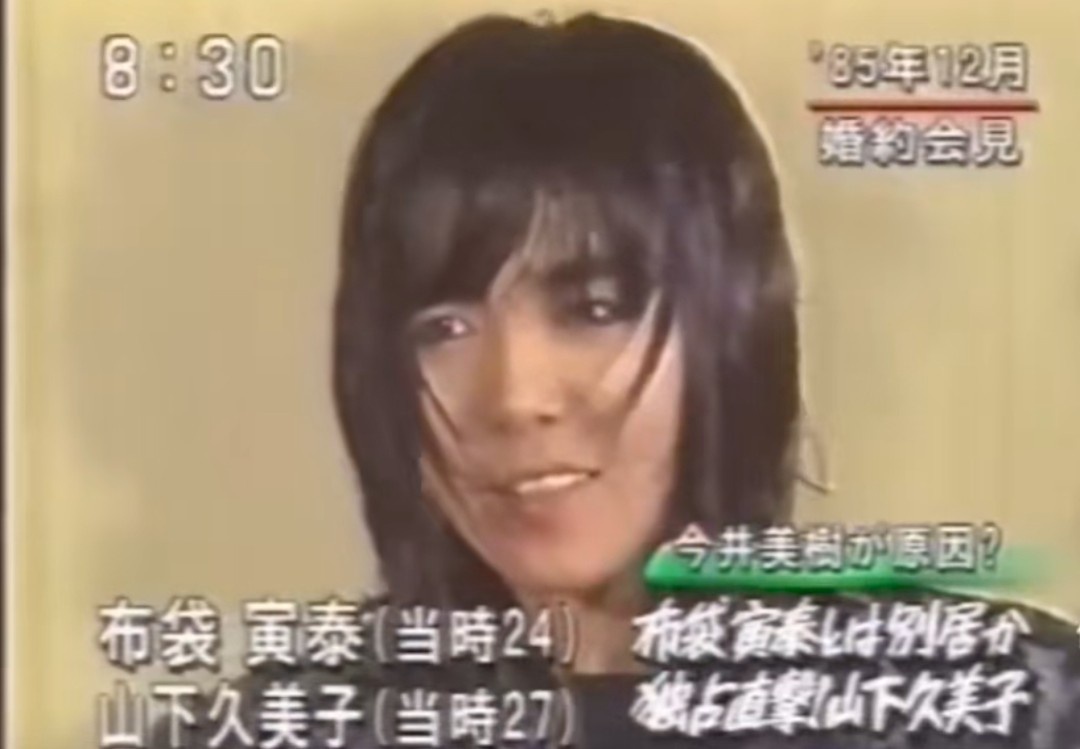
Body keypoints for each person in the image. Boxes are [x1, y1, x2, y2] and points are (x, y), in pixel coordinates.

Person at [157, 12, 1080, 749]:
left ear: (730, 327)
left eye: (594, 308)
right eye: (442, 327)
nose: (515, 396)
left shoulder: (1001, 703)